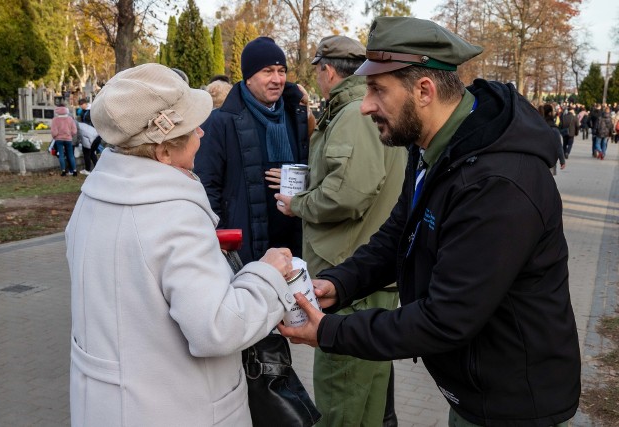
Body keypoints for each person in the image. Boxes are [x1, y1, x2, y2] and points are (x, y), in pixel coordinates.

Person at [279, 17, 581, 426]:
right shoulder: (432, 146)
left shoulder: (498, 184)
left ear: (424, 91)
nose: (366, 106)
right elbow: (398, 234)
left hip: (516, 406)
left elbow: (445, 318)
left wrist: (330, 333)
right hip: (475, 391)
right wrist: (341, 282)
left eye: (377, 90)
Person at [66, 63, 296, 426]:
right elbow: (217, 329)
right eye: (191, 128)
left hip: (108, 405)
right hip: (178, 408)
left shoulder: (93, 198)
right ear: (162, 152)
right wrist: (268, 275)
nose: (202, 132)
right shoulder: (172, 213)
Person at [274, 35, 406, 427]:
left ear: (328, 70)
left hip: (351, 275)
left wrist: (298, 204)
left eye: (317, 71)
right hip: (366, 273)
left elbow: (349, 193)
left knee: (342, 396)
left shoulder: (351, 114)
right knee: (365, 395)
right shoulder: (359, 111)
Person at [196, 37, 311, 264]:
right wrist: (223, 241)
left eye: (281, 71)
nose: (277, 79)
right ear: (248, 77)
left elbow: (312, 170)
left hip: (293, 245)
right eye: (267, 71)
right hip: (243, 248)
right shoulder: (221, 122)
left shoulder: (296, 117)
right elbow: (207, 187)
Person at [50, 105, 78, 176]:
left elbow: (54, 131)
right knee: (71, 155)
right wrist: (70, 135)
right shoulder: (70, 119)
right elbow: (74, 130)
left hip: (59, 139)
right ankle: (74, 170)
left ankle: (63, 171)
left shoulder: (55, 120)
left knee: (61, 155)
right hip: (68, 139)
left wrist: (55, 136)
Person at [540, 104, 566, 175]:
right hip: (550, 158)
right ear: (550, 113)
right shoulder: (553, 128)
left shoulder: (538, 125)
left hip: (539, 158)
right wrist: (562, 161)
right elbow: (558, 146)